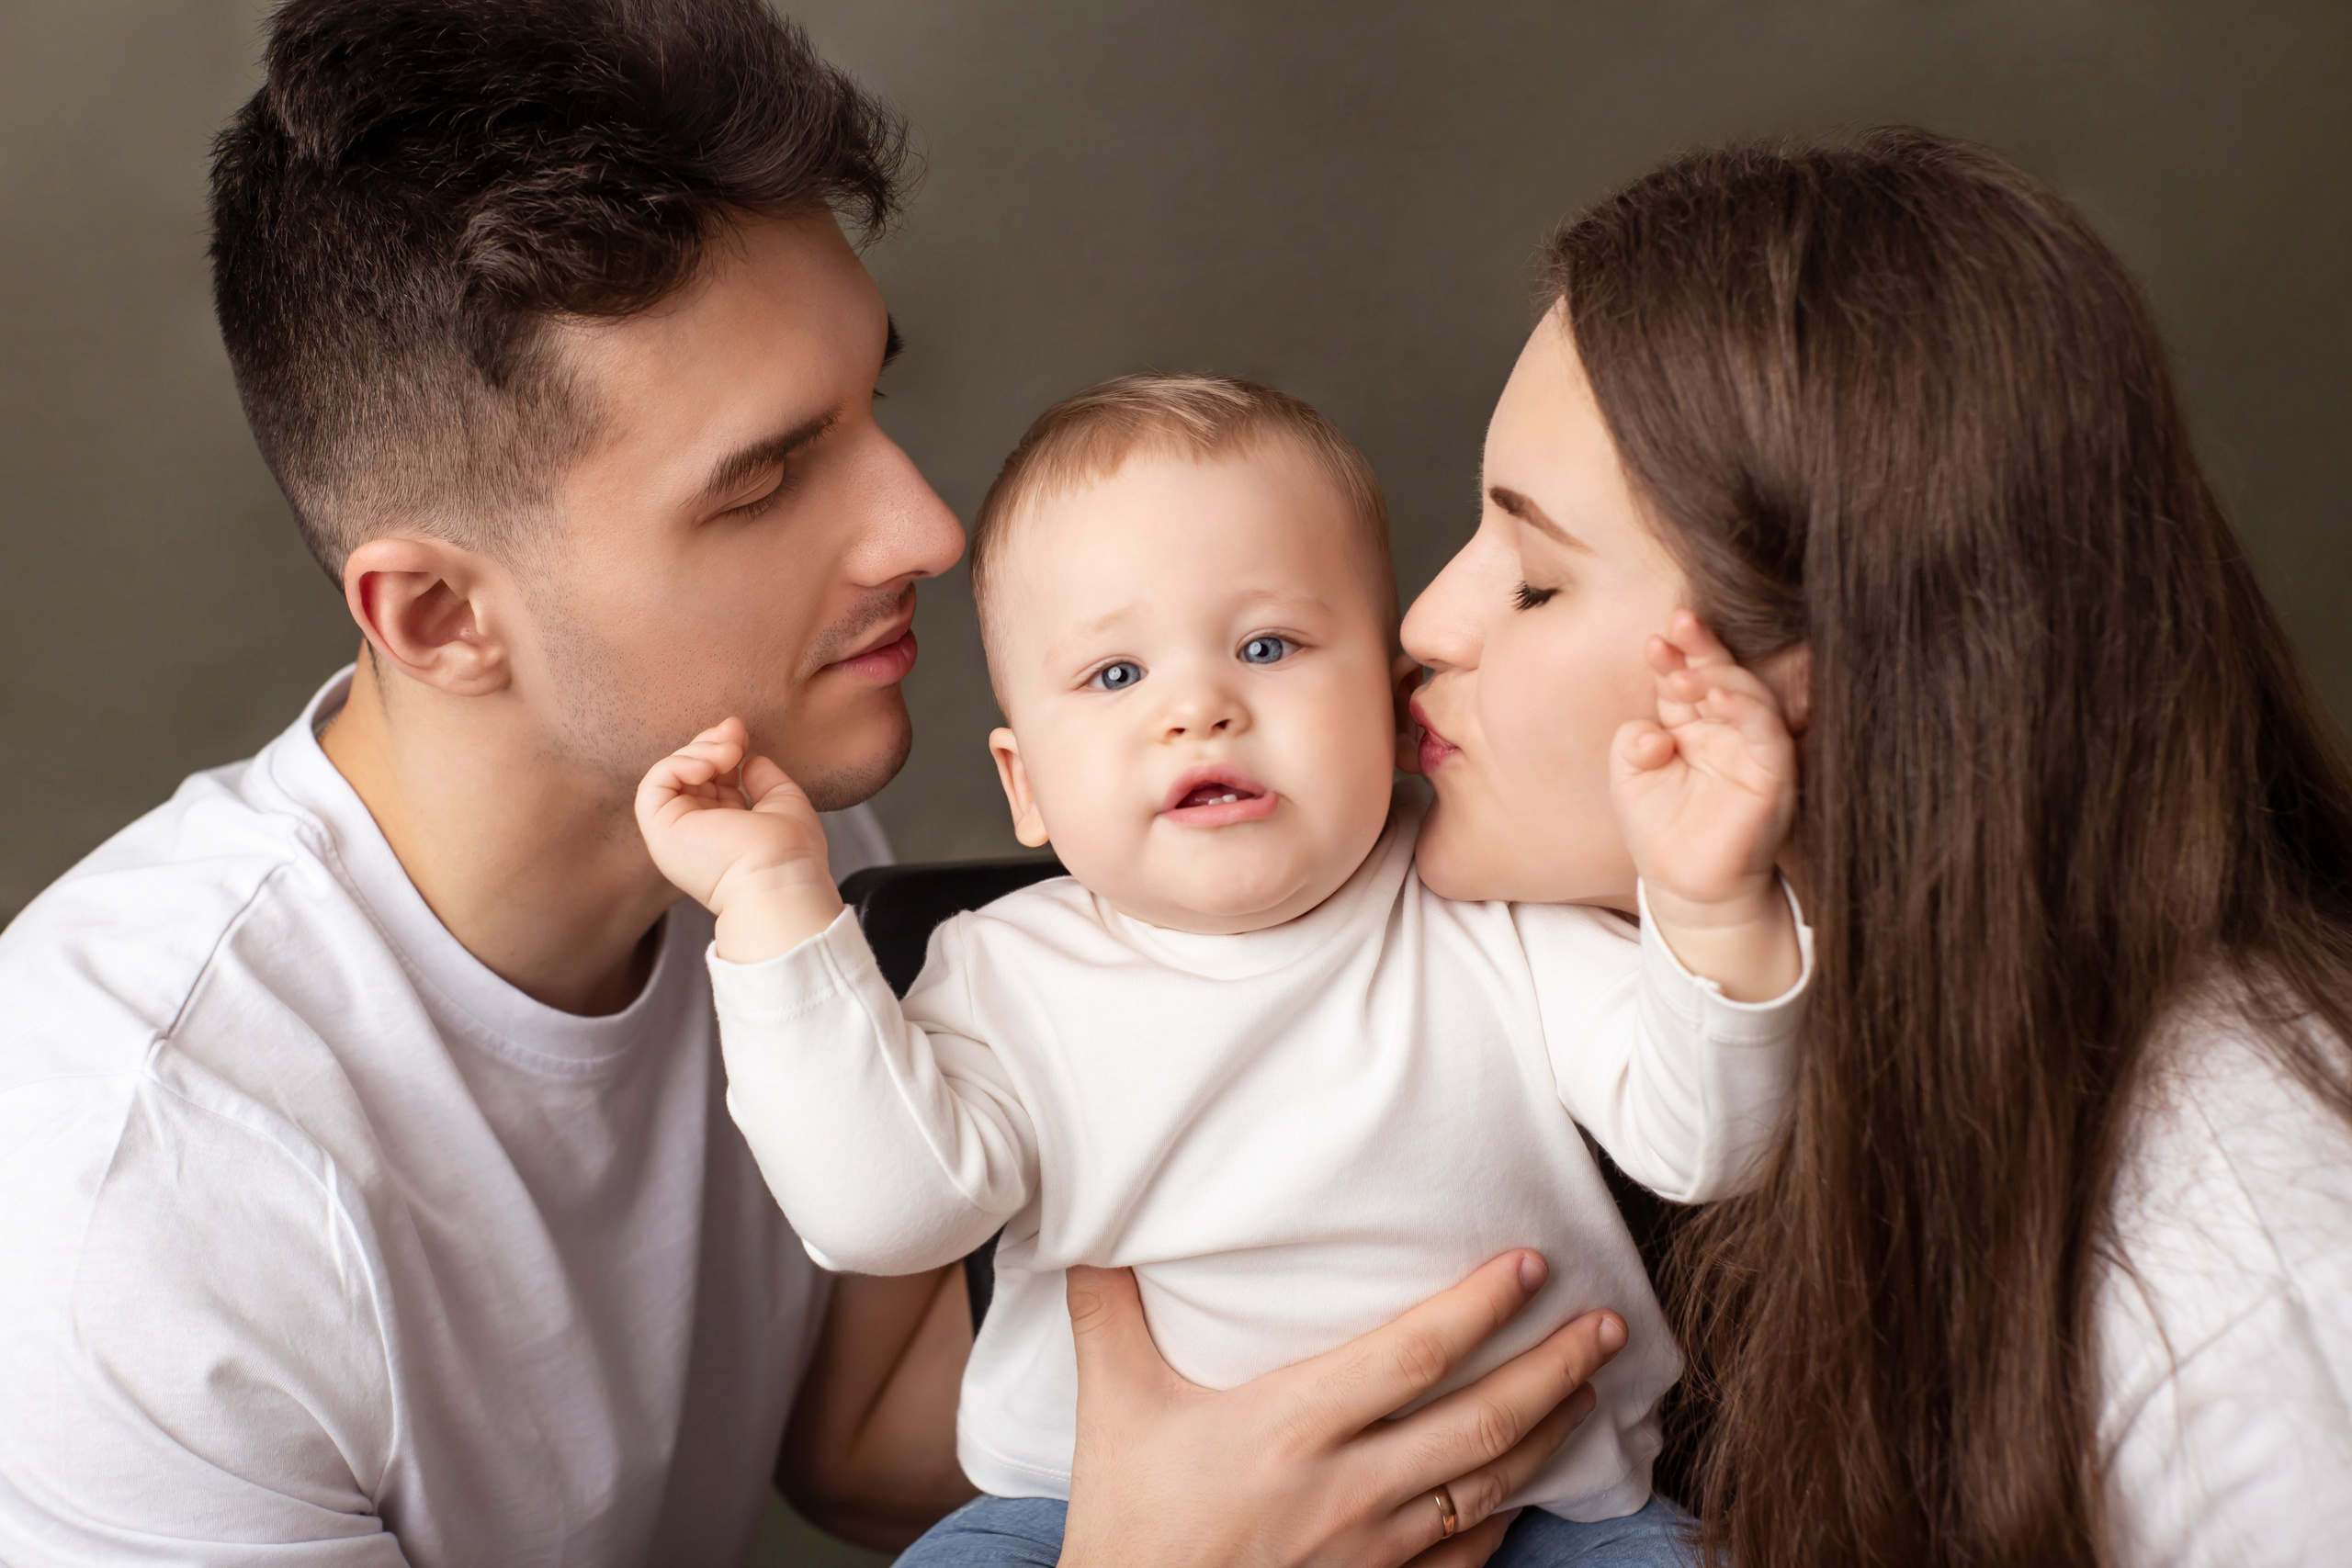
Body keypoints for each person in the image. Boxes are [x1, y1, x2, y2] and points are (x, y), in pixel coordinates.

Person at [0, 3, 1627, 1562]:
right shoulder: (131, 1196)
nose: (926, 529)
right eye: (768, 478)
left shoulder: (784, 822)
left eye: (873, 406)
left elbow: (859, 1441)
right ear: (438, 617)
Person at [634, 373, 1811, 1565]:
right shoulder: (1002, 975)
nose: (1198, 709)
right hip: (1082, 1524)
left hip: (1538, 1520)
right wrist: (779, 913)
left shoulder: (1490, 915)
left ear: (1392, 704)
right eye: (1114, 676)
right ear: (1025, 782)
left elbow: (1706, 1142)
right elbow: (883, 1216)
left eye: (1267, 646)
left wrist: (1713, 905)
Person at [1395, 130, 2352, 1566]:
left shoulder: (2253, 1284)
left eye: (1532, 580)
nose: (1426, 624)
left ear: (1815, 676)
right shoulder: (1734, 1038)